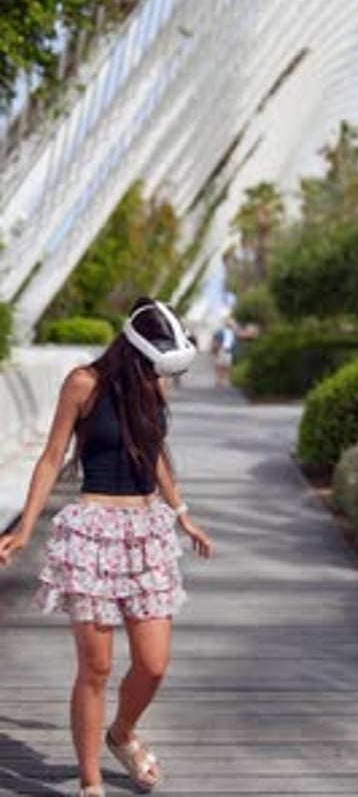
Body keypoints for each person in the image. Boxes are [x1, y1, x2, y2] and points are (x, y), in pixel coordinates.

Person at [0, 297, 213, 797]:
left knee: (153, 663)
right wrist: (25, 528)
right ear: (133, 348)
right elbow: (52, 458)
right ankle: (90, 782)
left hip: (148, 534)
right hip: (93, 532)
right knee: (95, 668)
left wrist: (183, 516)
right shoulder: (83, 383)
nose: (157, 373)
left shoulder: (152, 384)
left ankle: (122, 733)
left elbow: (154, 451)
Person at [212, 318, 237, 386]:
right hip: (221, 350)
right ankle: (218, 380)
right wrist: (215, 349)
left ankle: (224, 380)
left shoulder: (234, 332)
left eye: (232, 323)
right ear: (226, 324)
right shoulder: (221, 331)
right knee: (219, 365)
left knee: (227, 366)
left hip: (229, 351)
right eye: (229, 323)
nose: (230, 324)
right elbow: (215, 339)